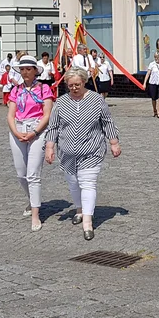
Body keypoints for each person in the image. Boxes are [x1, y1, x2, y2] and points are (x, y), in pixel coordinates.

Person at [45, 68, 122, 241]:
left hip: (91, 150)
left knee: (88, 183)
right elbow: (54, 126)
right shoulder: (61, 102)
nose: (74, 88)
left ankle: (87, 221)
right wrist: (49, 147)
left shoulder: (96, 100)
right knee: (74, 184)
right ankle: (79, 209)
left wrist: (114, 142)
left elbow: (107, 121)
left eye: (77, 84)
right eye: (70, 85)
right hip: (67, 152)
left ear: (84, 82)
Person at [8, 55, 55, 232]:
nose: (25, 72)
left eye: (29, 69)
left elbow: (47, 114)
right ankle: (31, 199)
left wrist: (34, 132)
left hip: (38, 129)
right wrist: (16, 132)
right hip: (18, 129)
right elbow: (10, 114)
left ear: (35, 70)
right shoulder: (16, 90)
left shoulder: (44, 89)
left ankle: (35, 213)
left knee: (33, 173)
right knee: (21, 173)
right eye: (22, 69)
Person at [145, 50, 159, 118]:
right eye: (155, 57)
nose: (156, 58)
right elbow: (148, 73)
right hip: (153, 82)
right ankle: (155, 110)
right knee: (154, 98)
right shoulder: (152, 64)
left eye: (158, 57)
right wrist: (144, 83)